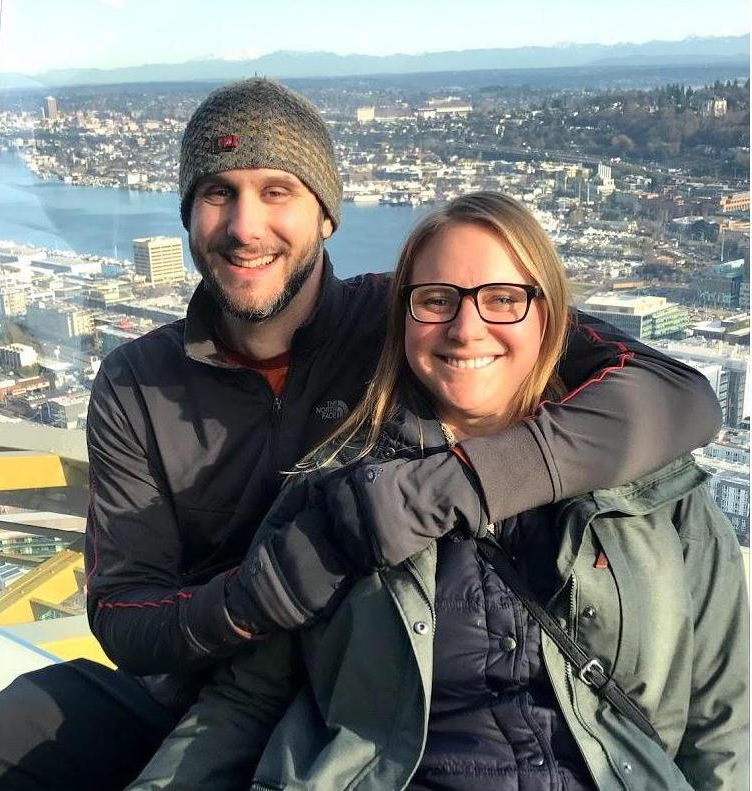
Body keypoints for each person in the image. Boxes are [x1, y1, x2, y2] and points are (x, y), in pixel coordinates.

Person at [0, 81, 724, 791]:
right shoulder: (135, 382)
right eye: (217, 194)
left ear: (326, 213)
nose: (243, 225)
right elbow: (126, 615)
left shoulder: (407, 319)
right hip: (210, 688)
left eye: (277, 192)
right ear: (187, 213)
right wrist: (262, 596)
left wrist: (442, 491)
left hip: (361, 689)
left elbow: (673, 392)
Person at [130, 192, 749, 791]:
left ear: (552, 317)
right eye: (436, 300)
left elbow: (722, 721)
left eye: (502, 299)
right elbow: (245, 702)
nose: (465, 328)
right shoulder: (339, 498)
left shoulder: (658, 492)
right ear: (403, 320)